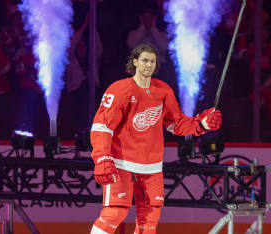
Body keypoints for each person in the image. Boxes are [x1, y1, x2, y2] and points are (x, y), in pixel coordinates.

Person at [89, 44, 222, 234]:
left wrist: (202, 124)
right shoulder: (119, 90)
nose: (148, 65)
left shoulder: (163, 90)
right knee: (114, 212)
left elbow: (175, 123)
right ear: (134, 62)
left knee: (150, 219)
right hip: (122, 162)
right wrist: (101, 157)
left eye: (152, 61)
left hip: (151, 166)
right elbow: (102, 126)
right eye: (144, 60)